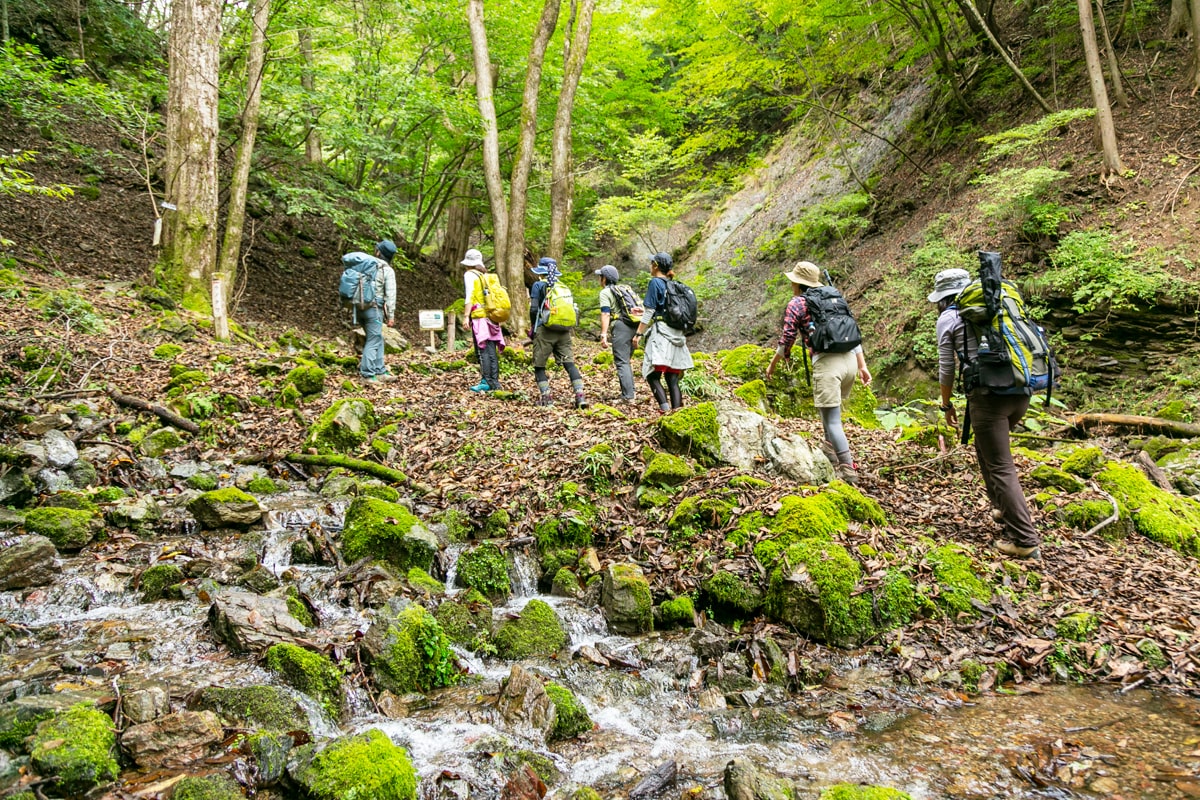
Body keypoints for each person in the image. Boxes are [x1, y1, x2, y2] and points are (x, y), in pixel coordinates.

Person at [930, 267, 1040, 559]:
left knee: (1000, 465)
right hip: (1021, 390)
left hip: (989, 397)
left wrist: (946, 403)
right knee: (986, 451)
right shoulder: (997, 306)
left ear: (943, 298)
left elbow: (947, 367)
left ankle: (1024, 539)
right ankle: (1004, 510)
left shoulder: (949, 318)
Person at [765, 261, 872, 485]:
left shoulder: (797, 303)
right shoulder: (833, 297)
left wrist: (774, 363)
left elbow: (787, 339)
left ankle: (848, 468)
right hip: (850, 362)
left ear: (798, 283)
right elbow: (851, 328)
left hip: (828, 364)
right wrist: (862, 366)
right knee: (828, 412)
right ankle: (829, 450)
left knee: (833, 421)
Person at [633, 252, 693, 413]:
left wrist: (638, 334)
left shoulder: (655, 283)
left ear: (656, 266)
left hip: (662, 335)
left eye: (651, 263)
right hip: (677, 334)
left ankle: (665, 411)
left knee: (652, 375)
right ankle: (678, 413)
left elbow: (650, 310)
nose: (650, 266)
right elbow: (663, 308)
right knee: (672, 378)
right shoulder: (673, 284)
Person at [529, 257, 588, 408]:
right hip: (564, 331)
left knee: (539, 366)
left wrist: (533, 328)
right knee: (569, 363)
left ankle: (546, 398)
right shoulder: (562, 286)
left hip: (545, 331)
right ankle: (580, 396)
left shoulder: (538, 285)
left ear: (541, 271)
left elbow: (534, 309)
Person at [595, 264, 641, 404]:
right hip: (634, 326)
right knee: (626, 361)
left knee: (622, 362)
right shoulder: (624, 289)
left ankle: (628, 397)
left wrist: (603, 334)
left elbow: (605, 313)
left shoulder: (605, 293)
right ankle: (630, 392)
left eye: (600, 276)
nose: (599, 279)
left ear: (604, 279)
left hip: (621, 327)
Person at [462, 248, 506, 392]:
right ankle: (494, 381)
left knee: (482, 350)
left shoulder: (469, 275)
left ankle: (486, 381)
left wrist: (465, 316)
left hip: (480, 317)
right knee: (491, 349)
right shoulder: (484, 274)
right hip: (491, 316)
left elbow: (469, 297)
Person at [359, 240, 398, 382]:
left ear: (378, 252)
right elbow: (391, 295)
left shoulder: (365, 264)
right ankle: (367, 375)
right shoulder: (387, 270)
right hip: (374, 308)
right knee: (374, 338)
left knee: (377, 337)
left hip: (359, 307)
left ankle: (380, 371)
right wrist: (391, 316)